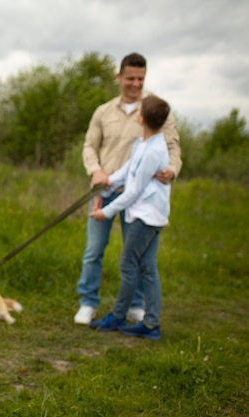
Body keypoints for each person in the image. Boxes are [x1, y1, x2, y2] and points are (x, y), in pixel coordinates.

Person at [75, 52, 182, 325]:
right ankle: (87, 302)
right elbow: (89, 145)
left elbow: (172, 146)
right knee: (94, 250)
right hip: (104, 188)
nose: (136, 84)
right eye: (131, 78)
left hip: (139, 198)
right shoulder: (103, 111)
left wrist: (172, 169)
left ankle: (136, 306)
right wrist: (96, 170)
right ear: (119, 77)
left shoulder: (155, 109)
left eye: (141, 79)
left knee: (135, 256)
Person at [88, 95, 172, 340]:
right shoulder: (143, 143)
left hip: (145, 218)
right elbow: (127, 171)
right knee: (147, 267)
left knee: (128, 265)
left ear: (141, 118)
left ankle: (118, 315)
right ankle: (150, 324)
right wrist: (108, 183)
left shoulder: (153, 151)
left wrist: (106, 211)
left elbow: (134, 190)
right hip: (145, 214)